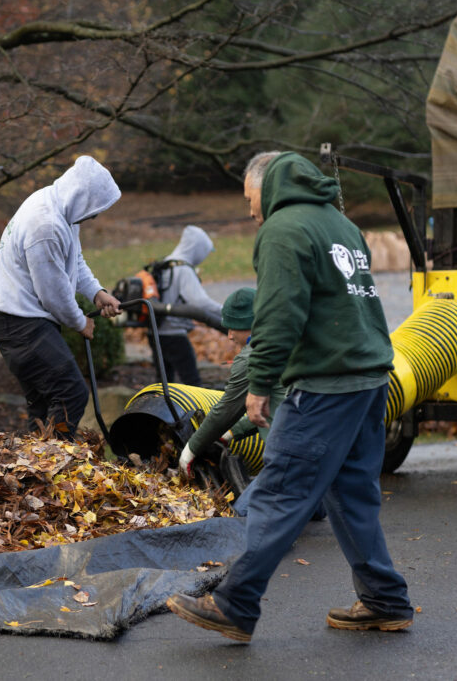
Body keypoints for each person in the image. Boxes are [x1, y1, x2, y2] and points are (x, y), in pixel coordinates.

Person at [167, 151, 412, 642]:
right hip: (370, 380)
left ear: (269, 185)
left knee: (280, 491)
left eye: (249, 198)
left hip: (326, 385)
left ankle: (235, 603)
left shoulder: (283, 230)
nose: (249, 210)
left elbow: (278, 314)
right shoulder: (341, 224)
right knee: (352, 494)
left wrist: (260, 383)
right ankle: (384, 599)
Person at [0, 155, 122, 438]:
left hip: (25, 320)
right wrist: (80, 322)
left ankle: (36, 461)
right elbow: (53, 294)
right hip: (18, 323)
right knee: (71, 393)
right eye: (94, 209)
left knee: (44, 403)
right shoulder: (44, 225)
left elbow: (73, 260)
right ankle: (55, 460)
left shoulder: (62, 208)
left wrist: (96, 292)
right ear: (81, 197)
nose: (94, 217)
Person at [176, 287, 285, 480]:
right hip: (325, 436)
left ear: (248, 325)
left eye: (232, 328)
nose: (230, 336)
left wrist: (190, 450)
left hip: (290, 453)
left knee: (258, 499)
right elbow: (278, 405)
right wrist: (232, 433)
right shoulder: (285, 339)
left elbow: (226, 410)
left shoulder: (252, 358)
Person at [147, 225, 222, 386]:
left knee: (163, 383)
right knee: (193, 382)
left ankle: (160, 403)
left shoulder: (166, 263)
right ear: (197, 249)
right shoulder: (183, 269)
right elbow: (200, 302)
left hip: (155, 333)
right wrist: (225, 311)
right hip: (174, 334)